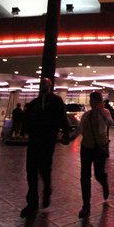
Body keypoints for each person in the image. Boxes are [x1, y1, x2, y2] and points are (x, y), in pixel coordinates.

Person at [20, 78, 70, 218]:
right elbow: (27, 119)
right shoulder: (34, 104)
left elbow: (62, 117)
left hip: (48, 140)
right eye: (41, 84)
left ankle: (47, 188)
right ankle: (32, 203)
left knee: (44, 169)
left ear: (50, 86)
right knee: (31, 171)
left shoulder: (56, 101)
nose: (42, 86)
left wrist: (66, 134)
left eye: (45, 84)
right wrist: (25, 130)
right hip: (35, 140)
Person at [70, 91, 113, 219]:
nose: (91, 102)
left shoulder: (105, 113)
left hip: (99, 147)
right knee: (85, 176)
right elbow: (79, 130)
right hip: (86, 148)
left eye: (93, 100)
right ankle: (86, 205)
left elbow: (110, 123)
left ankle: (104, 183)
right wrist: (70, 138)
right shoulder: (86, 115)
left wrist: (100, 111)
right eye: (91, 100)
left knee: (98, 174)